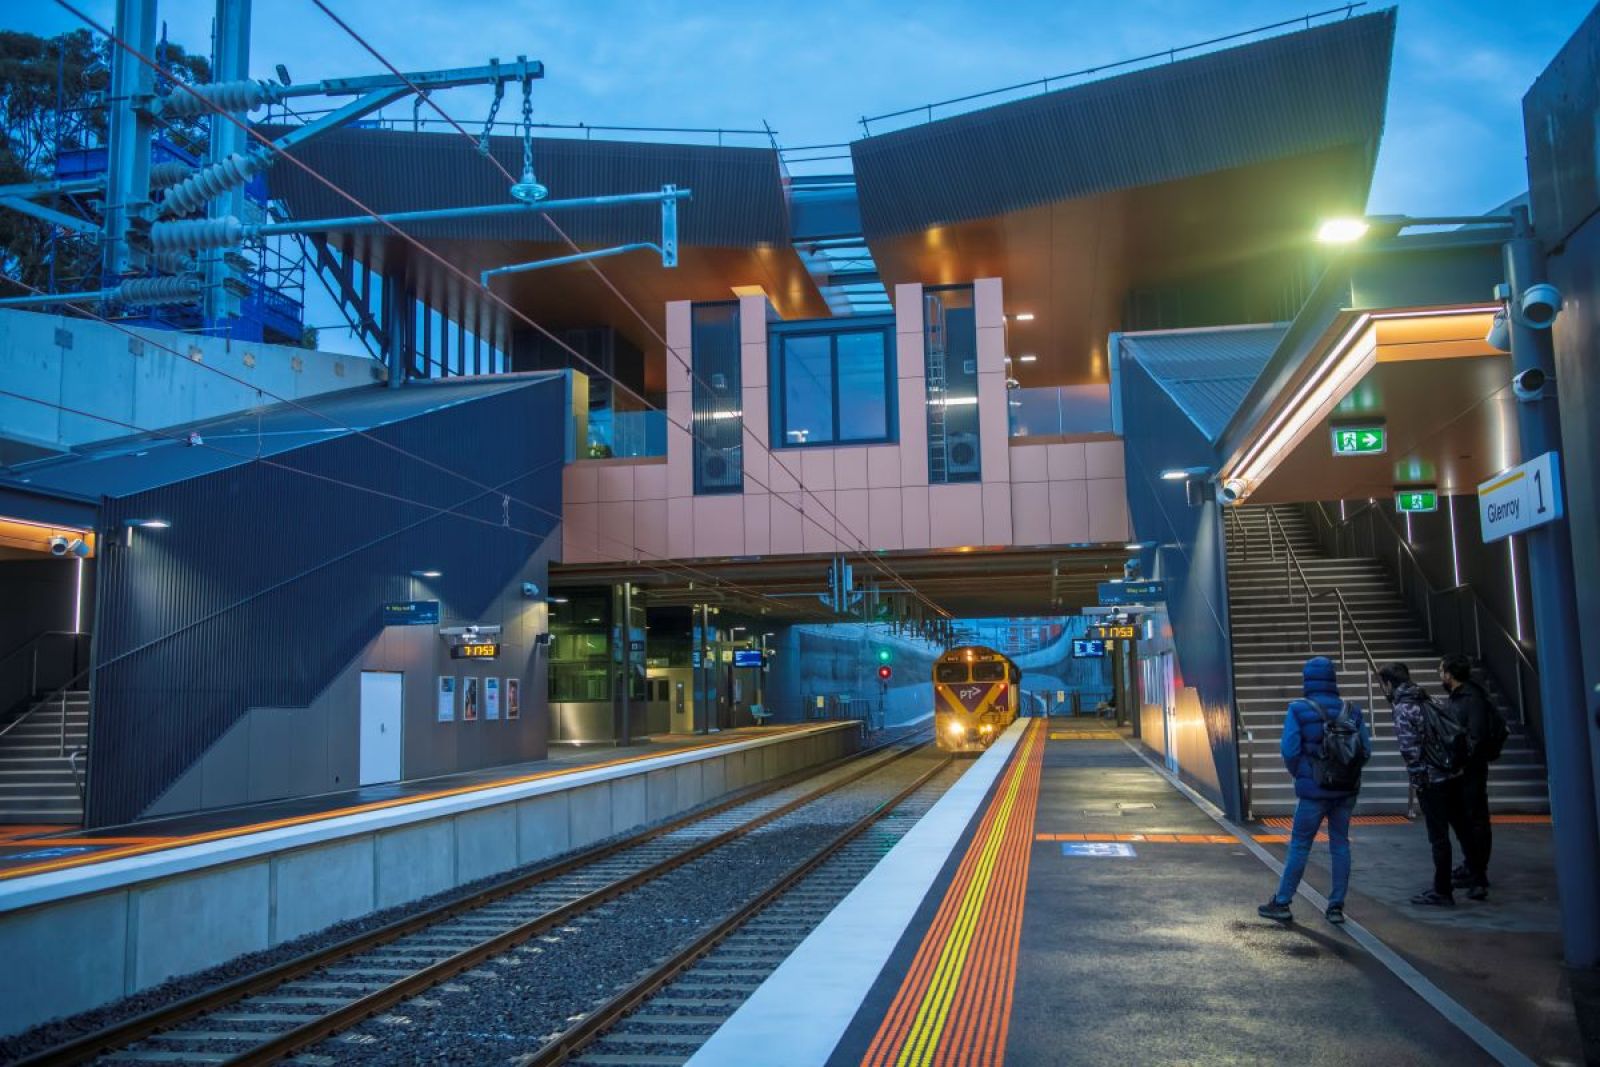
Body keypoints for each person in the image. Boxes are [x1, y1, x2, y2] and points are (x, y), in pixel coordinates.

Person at [1258, 656, 1372, 925]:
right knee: (1340, 845)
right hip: (1345, 791)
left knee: (1300, 846)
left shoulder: (1298, 709)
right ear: (1333, 678)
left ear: (1306, 679)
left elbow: (1290, 749)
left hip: (1313, 792)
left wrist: (1302, 773)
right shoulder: (1352, 710)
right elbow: (1365, 750)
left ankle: (1283, 902)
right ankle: (1336, 907)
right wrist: (1346, 773)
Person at [1383, 662, 1475, 906]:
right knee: (1462, 827)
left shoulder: (1403, 708)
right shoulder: (1430, 698)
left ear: (1390, 683)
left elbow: (1409, 748)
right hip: (1451, 773)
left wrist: (1417, 778)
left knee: (1439, 837)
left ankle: (1442, 890)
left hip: (1431, 779)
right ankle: (1477, 877)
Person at [1440, 655, 1495, 899]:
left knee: (1474, 820)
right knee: (1465, 820)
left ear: (1450, 674)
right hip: (1460, 769)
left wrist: (1462, 762)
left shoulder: (1471, 699)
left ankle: (1478, 873)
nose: (1439, 675)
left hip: (1469, 770)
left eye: (1441, 670)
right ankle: (1472, 866)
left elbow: (1475, 735)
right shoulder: (1461, 697)